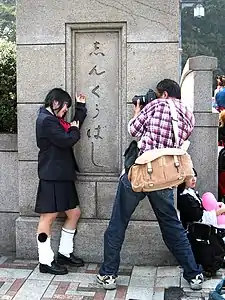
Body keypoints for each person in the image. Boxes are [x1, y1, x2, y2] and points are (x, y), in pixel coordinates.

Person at [97, 79, 204, 291]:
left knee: (118, 223)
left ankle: (109, 274)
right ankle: (194, 275)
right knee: (172, 226)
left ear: (163, 94)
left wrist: (138, 110)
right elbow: (183, 138)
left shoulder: (155, 105)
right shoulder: (188, 112)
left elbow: (133, 131)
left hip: (140, 172)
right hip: (165, 177)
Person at [35, 88, 87, 275]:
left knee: (74, 213)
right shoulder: (46, 121)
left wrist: (80, 109)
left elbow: (71, 128)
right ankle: (45, 260)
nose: (65, 111)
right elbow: (68, 139)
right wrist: (73, 127)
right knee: (47, 218)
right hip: (52, 176)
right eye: (65, 107)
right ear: (55, 103)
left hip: (62, 175)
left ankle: (65, 252)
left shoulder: (53, 120)